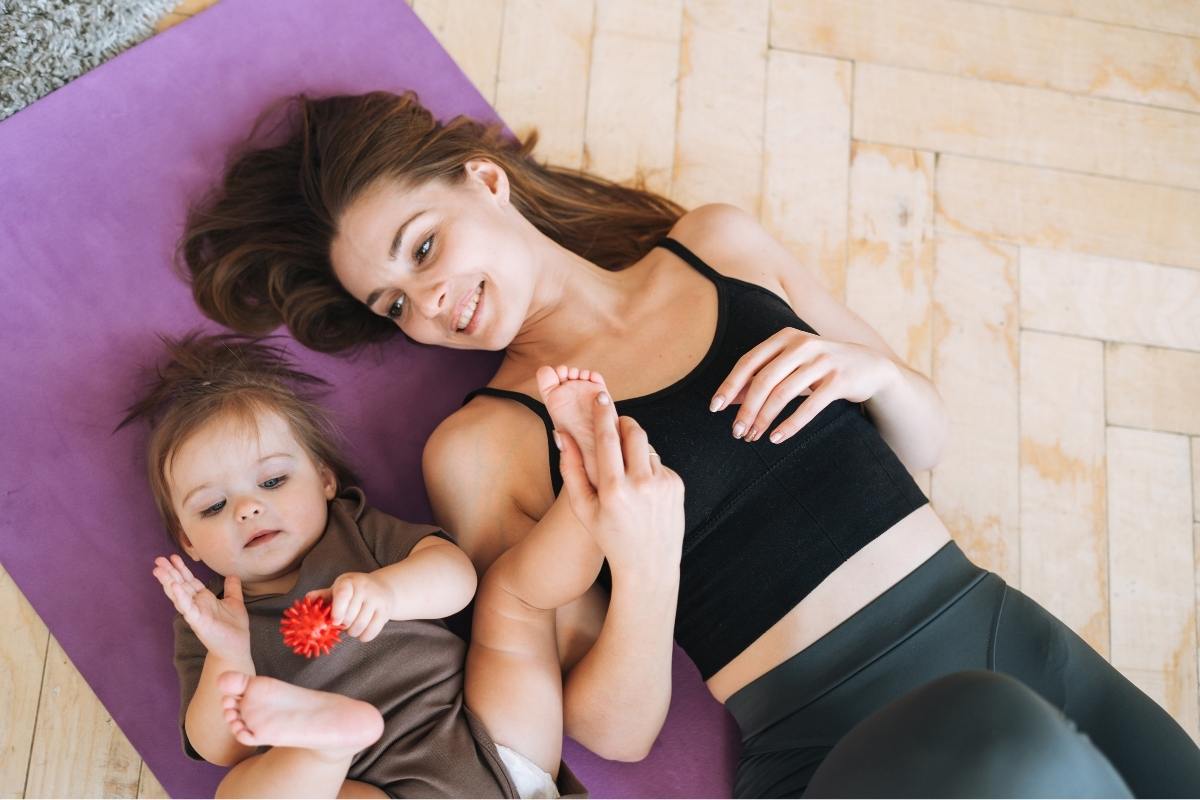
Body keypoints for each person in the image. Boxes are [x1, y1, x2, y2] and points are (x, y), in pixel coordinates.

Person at [178, 90, 1200, 796]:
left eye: (426, 246)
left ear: (485, 183)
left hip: (1010, 635)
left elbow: (925, 441)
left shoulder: (719, 248)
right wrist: (645, 550)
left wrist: (875, 374)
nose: (429, 301)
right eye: (394, 301)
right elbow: (612, 730)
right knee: (1003, 740)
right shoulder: (485, 445)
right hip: (832, 734)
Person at [121, 331, 682, 798]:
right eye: (213, 507)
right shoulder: (212, 620)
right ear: (187, 541)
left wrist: (389, 592)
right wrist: (229, 655)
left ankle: (589, 495)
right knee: (242, 792)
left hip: (489, 738)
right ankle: (329, 744)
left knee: (511, 595)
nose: (248, 508)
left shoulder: (354, 531)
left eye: (272, 480)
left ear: (324, 481)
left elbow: (457, 577)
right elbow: (220, 748)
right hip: (383, 788)